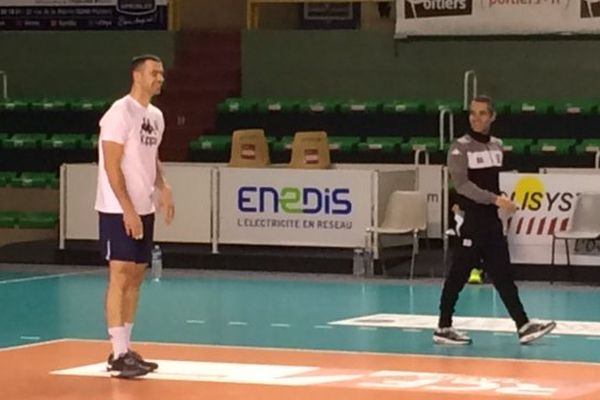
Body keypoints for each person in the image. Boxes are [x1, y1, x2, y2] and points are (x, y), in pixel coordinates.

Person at [434, 95, 555, 345]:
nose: (475, 118)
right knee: (459, 274)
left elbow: (490, 182)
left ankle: (523, 325)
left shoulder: (497, 145)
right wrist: (494, 199)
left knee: (502, 275)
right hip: (471, 220)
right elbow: (462, 185)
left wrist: (501, 200)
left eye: (481, 114)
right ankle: (443, 327)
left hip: (491, 220)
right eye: (472, 113)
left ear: (492, 117)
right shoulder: (459, 147)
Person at [95, 54, 175, 378]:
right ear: (137, 75)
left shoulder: (155, 116)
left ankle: (125, 349)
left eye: (162, 74)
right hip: (117, 208)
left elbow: (151, 158)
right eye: (154, 73)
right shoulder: (119, 112)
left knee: (138, 276)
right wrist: (127, 209)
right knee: (121, 274)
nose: (160, 78)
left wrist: (163, 185)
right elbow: (112, 165)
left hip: (145, 206)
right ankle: (117, 353)